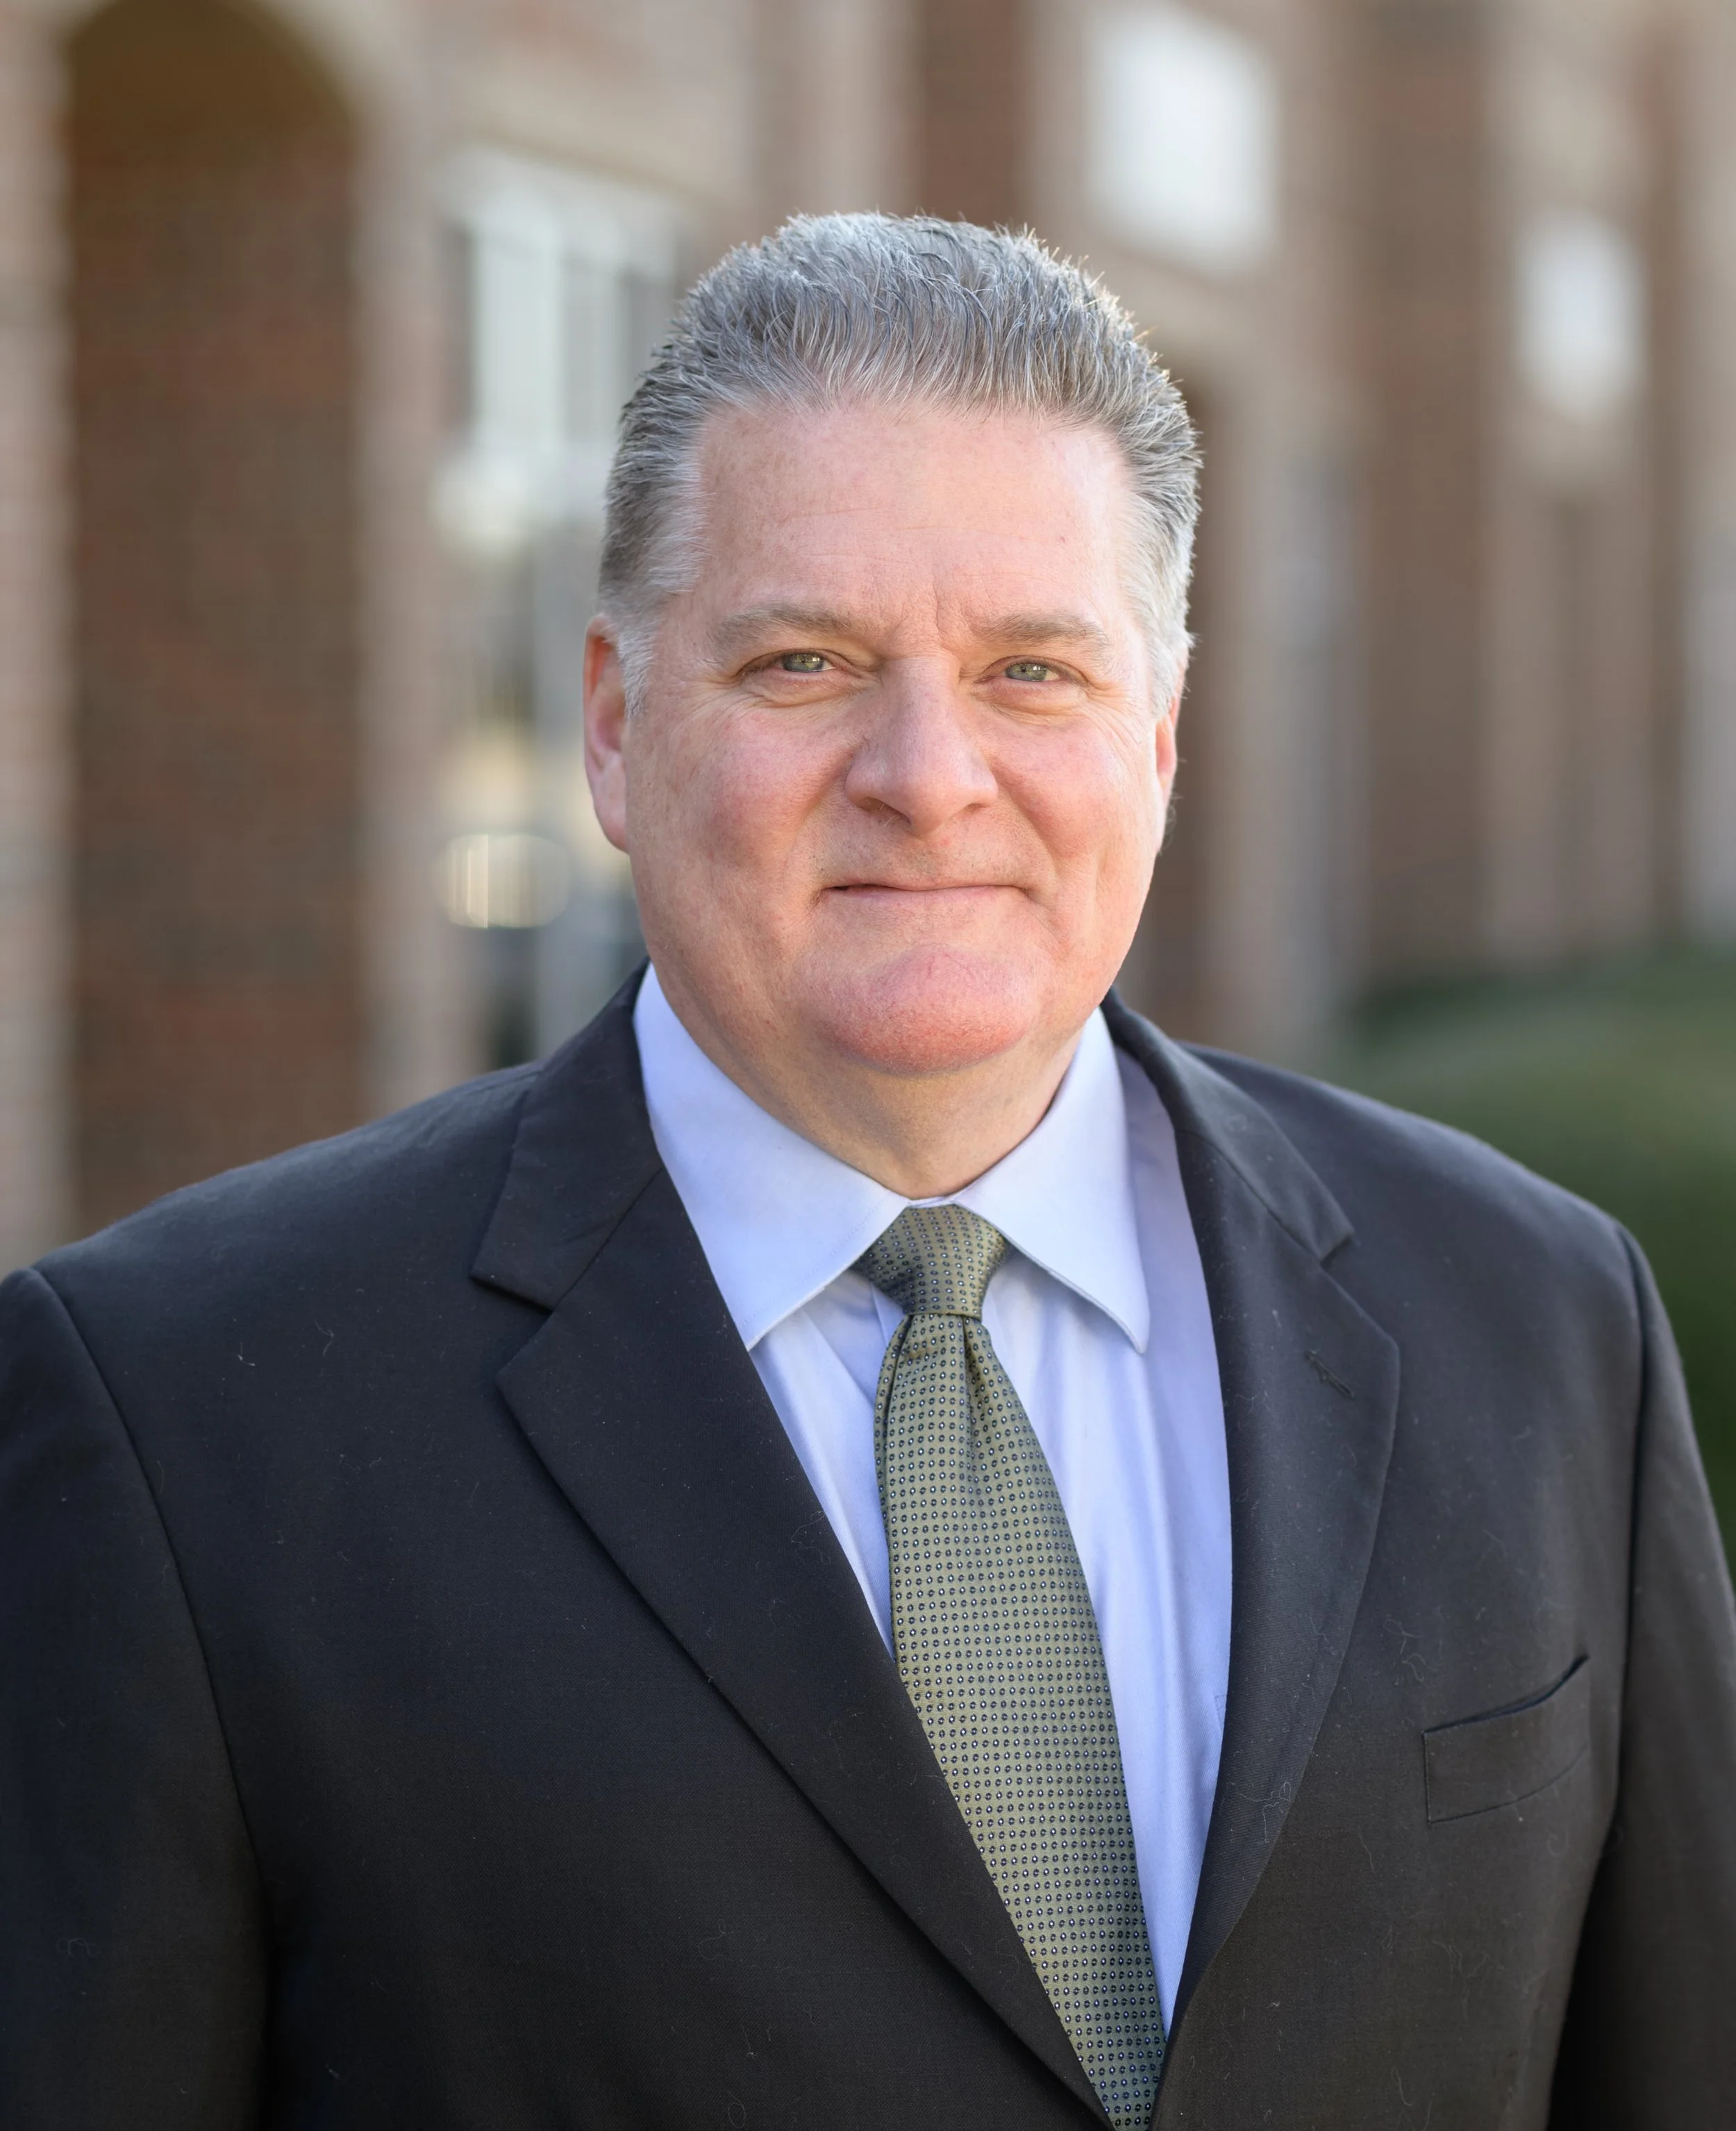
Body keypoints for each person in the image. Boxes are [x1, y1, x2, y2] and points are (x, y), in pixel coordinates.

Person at [2, 214, 1732, 2131]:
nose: (927, 772)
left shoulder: (1542, 1321)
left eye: (1032, 670)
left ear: (1158, 738)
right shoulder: (178, 1418)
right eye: (806, 661)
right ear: (613, 724)